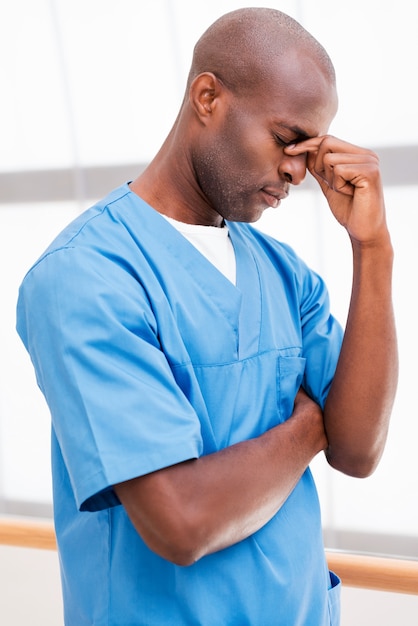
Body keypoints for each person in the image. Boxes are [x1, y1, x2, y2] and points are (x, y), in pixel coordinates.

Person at [16, 6, 398, 625]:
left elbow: (357, 450)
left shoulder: (285, 274)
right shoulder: (86, 276)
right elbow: (181, 521)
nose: (298, 173)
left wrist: (373, 248)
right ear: (207, 96)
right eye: (285, 140)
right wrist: (306, 427)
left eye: (309, 151)